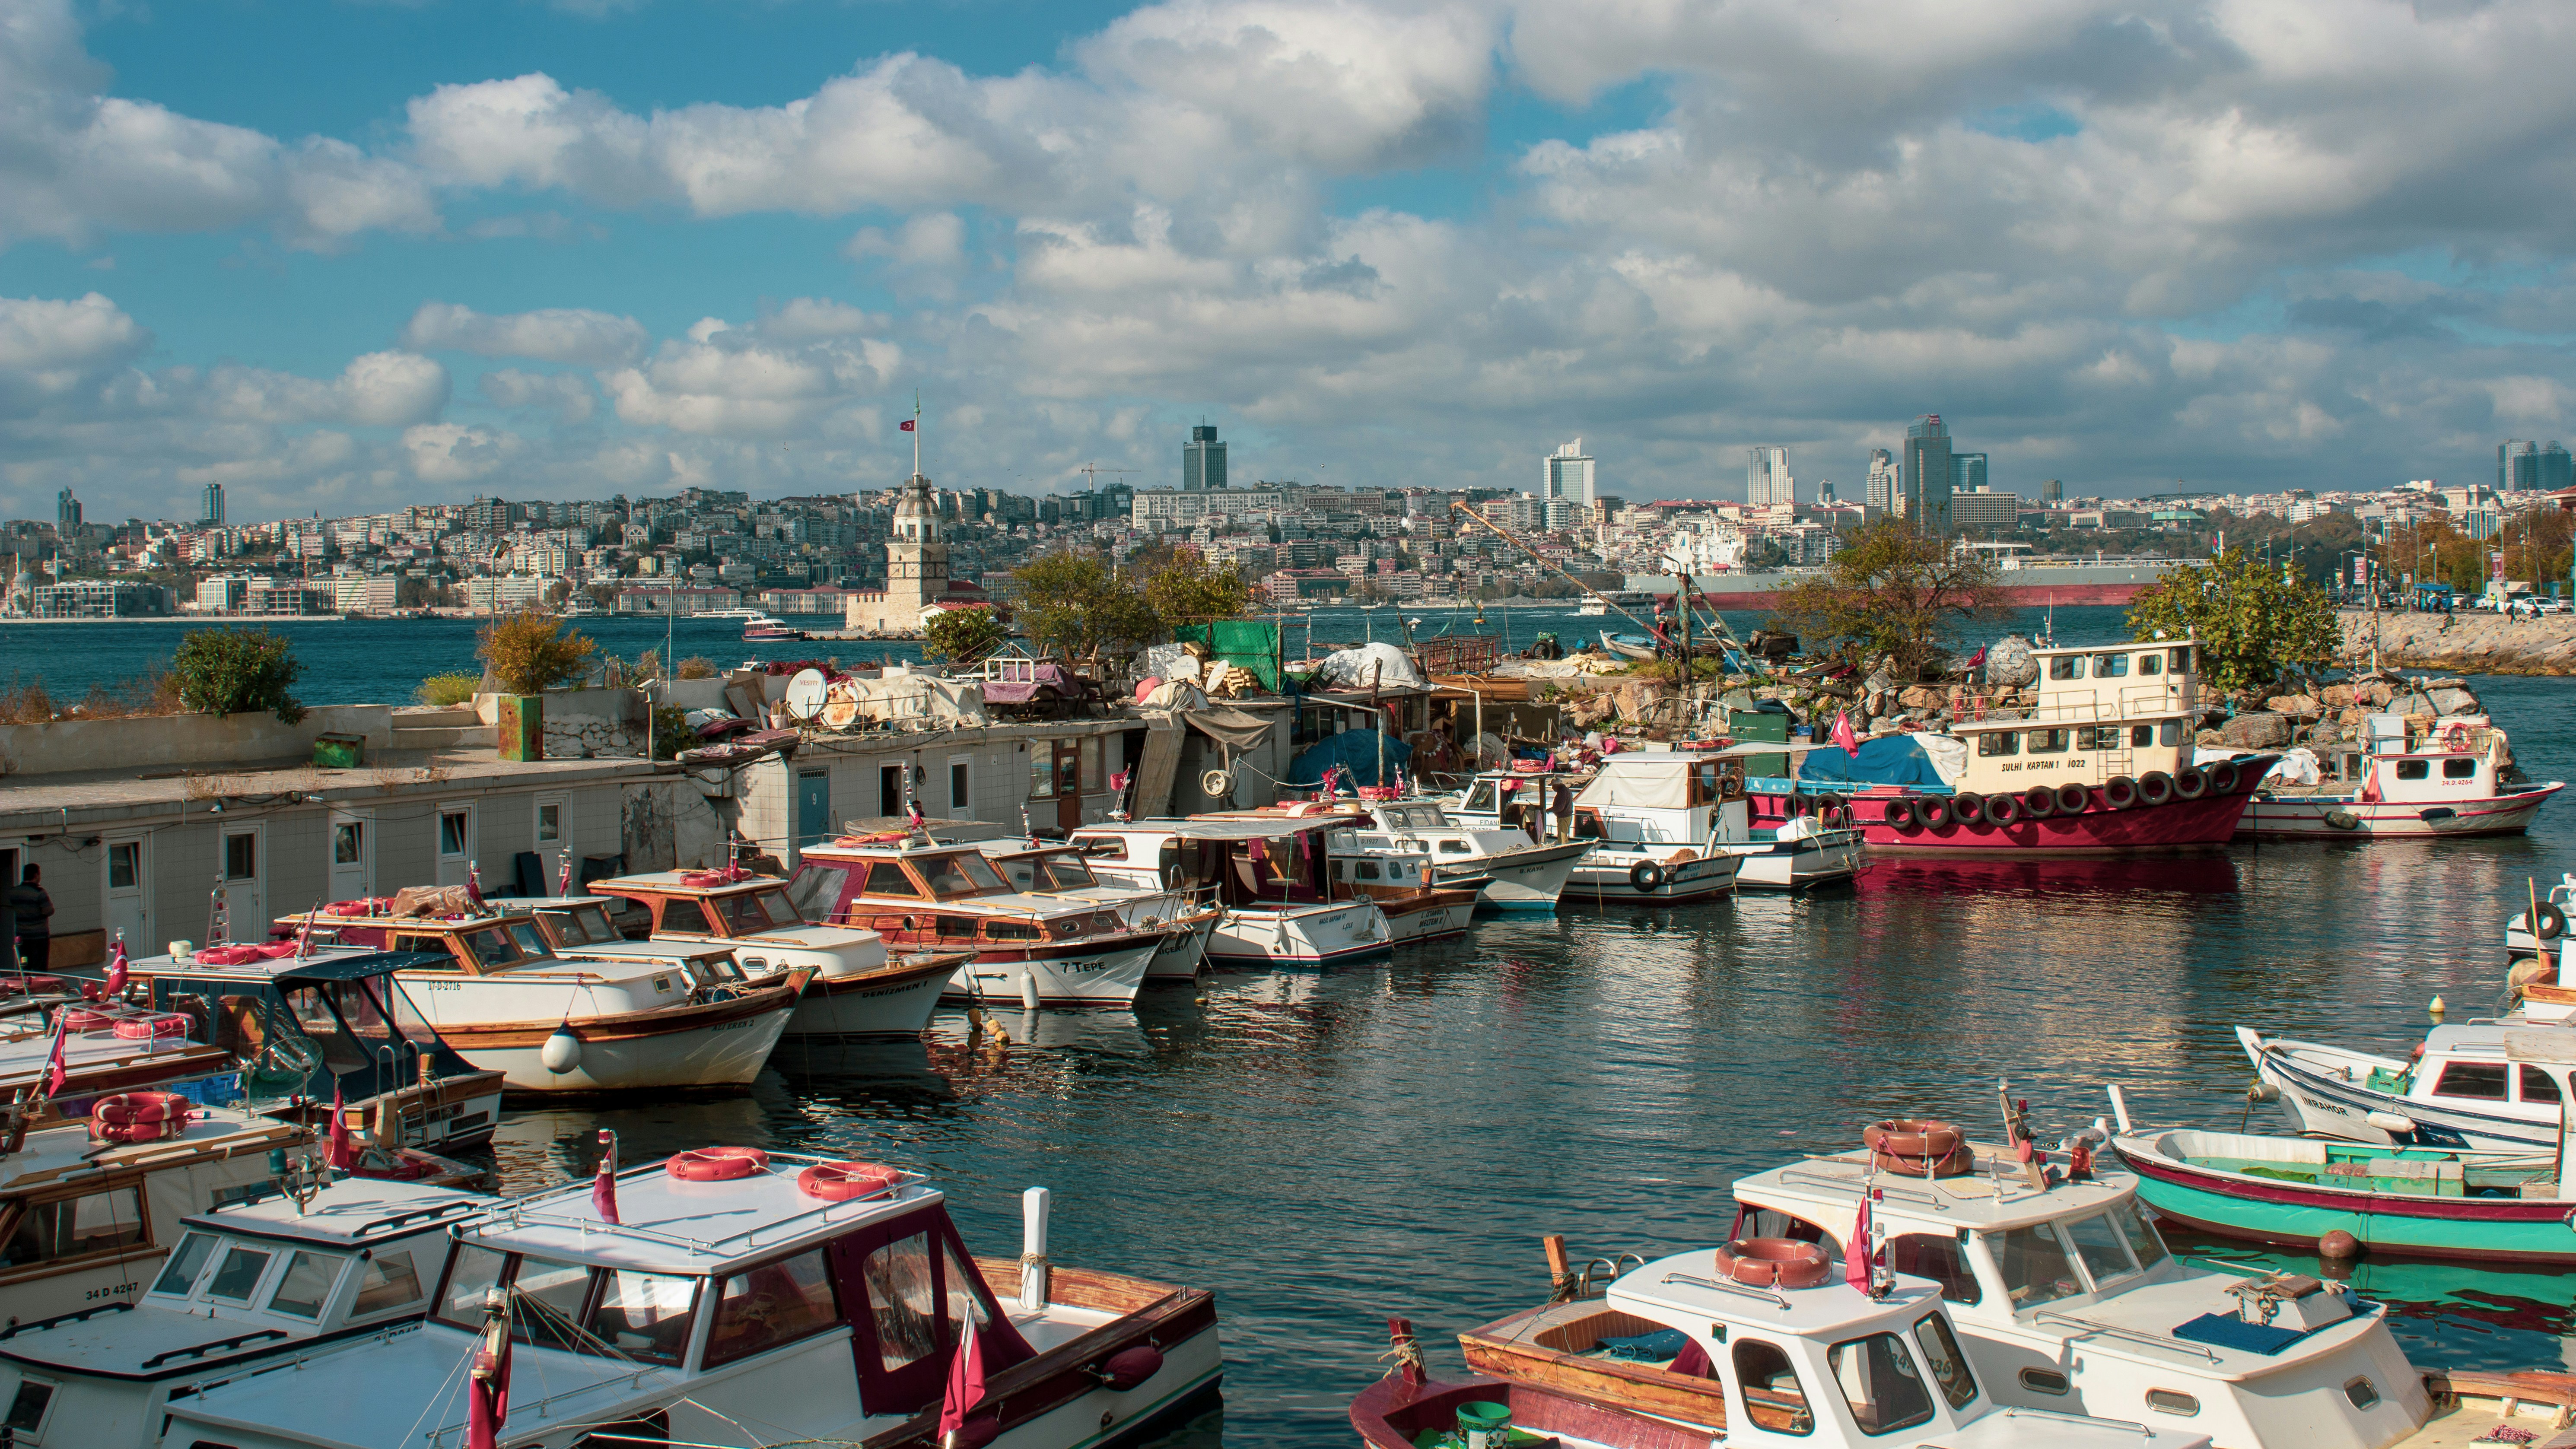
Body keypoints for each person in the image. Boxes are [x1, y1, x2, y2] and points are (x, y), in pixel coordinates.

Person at [7, 865, 50, 973]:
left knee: (24, 966)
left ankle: (24, 987)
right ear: (36, 876)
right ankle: (38, 989)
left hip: (22, 937)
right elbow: (49, 911)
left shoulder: (14, 892)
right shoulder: (39, 893)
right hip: (39, 937)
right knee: (39, 969)